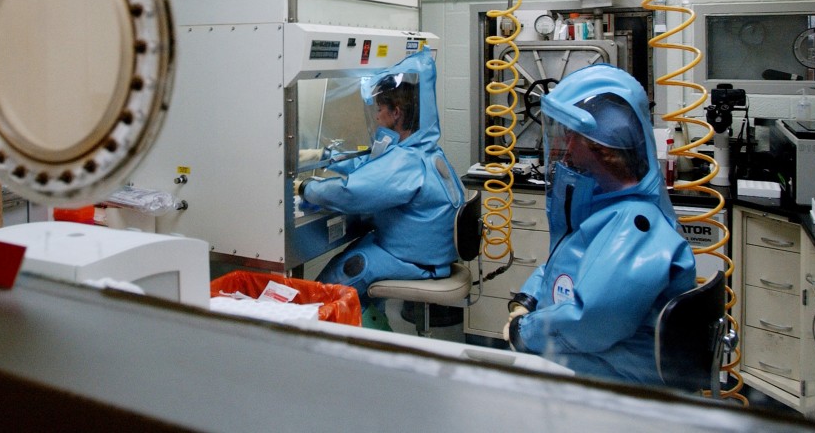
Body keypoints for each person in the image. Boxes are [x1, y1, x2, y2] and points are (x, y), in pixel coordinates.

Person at [503, 63, 696, 385]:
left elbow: (591, 320)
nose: (564, 146)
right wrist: (529, 299)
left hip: (613, 389)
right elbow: (563, 264)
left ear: (599, 148)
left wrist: (524, 331)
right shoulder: (605, 205)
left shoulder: (635, 228)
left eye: (571, 135)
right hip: (582, 366)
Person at [296, 47, 464, 328]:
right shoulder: (421, 150)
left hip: (413, 260)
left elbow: (352, 192)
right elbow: (371, 169)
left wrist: (307, 188)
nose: (375, 117)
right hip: (418, 251)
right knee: (354, 253)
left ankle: (301, 339)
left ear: (396, 113)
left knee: (331, 285)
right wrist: (328, 157)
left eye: (379, 109)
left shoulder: (406, 161)